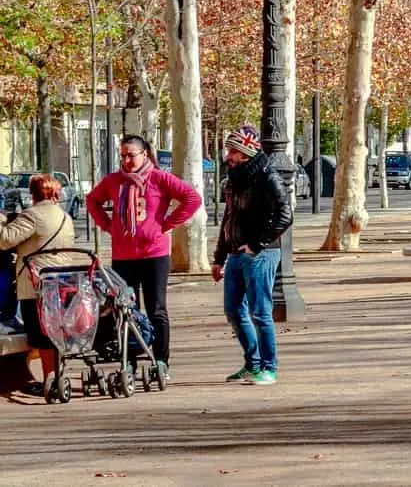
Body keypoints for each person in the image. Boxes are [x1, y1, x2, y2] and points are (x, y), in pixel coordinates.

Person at [86, 134, 202, 377]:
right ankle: (128, 361)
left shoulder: (159, 179)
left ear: (145, 154)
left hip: (154, 255)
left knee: (156, 309)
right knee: (126, 310)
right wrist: (109, 226)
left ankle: (161, 360)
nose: (127, 160)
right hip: (123, 257)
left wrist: (167, 223)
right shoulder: (114, 181)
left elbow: (192, 198)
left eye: (131, 155)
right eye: (123, 156)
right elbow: (93, 201)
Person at [213, 126, 292, 386]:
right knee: (233, 310)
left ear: (246, 152)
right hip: (236, 251)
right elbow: (229, 217)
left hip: (260, 253)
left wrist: (257, 244)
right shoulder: (234, 178)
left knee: (260, 311)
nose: (228, 156)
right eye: (229, 150)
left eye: (233, 151)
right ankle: (252, 363)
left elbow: (285, 215)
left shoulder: (268, 177)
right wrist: (219, 257)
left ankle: (269, 367)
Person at [1, 176, 76, 394]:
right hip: (60, 283)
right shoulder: (65, 216)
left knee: (40, 335)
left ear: (32, 193)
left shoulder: (33, 216)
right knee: (54, 332)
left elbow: (4, 239)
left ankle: (49, 380)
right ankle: (56, 377)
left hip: (36, 286)